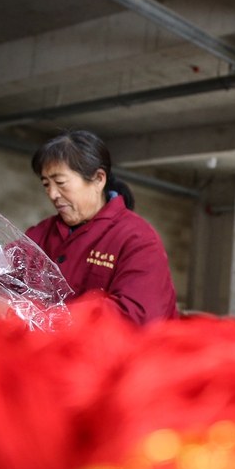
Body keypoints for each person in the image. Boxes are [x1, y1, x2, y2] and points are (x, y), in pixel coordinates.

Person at [26, 130, 178, 325]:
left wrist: (49, 317)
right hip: (49, 353)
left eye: (60, 183)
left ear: (98, 179)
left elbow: (135, 314)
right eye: (46, 184)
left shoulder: (136, 238)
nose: (53, 194)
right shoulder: (41, 234)